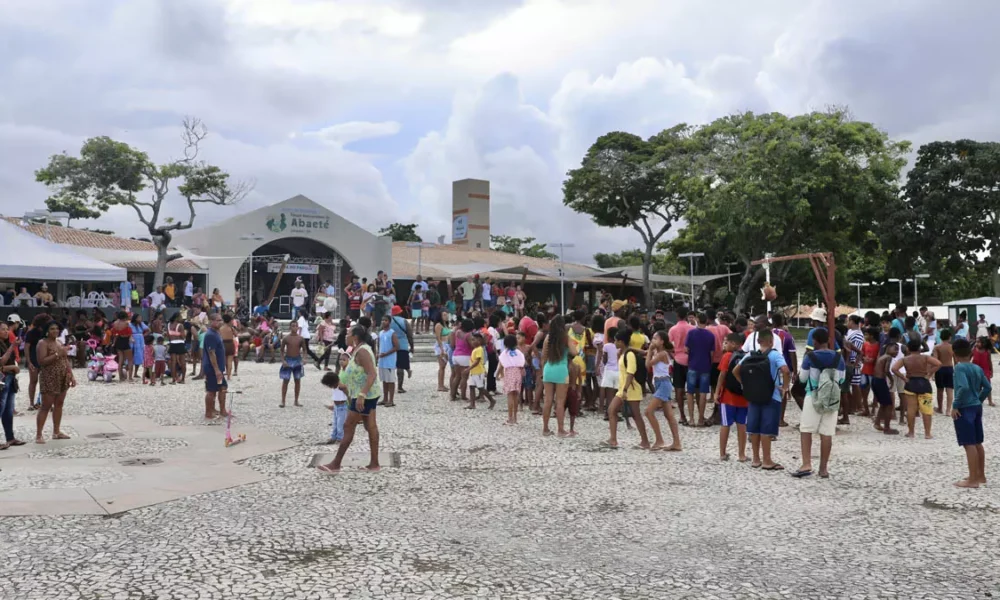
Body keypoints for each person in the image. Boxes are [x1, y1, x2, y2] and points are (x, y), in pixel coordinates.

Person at [317, 324, 381, 474]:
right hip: (366, 395)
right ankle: (374, 463)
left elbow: (372, 374)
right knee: (370, 427)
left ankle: (336, 464)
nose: (345, 336)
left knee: (348, 426)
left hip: (365, 396)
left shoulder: (362, 352)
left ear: (355, 337)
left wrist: (361, 395)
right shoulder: (359, 349)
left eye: (348, 333)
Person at [733, 328, 789, 471]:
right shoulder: (775, 355)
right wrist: (785, 387)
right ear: (771, 341)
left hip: (753, 395)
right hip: (771, 395)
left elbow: (735, 371)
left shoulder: (750, 356)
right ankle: (767, 460)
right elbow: (785, 370)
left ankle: (756, 459)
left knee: (754, 427)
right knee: (766, 428)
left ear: (758, 342)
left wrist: (745, 384)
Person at [793, 328, 846, 479]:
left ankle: (806, 463)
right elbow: (842, 379)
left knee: (806, 430)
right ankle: (823, 469)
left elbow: (803, 379)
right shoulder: (838, 358)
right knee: (827, 433)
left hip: (813, 395)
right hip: (832, 397)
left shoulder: (810, 357)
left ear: (814, 341)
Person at [951, 338, 990, 488]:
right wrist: (978, 400)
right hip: (976, 407)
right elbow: (987, 387)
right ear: (970, 352)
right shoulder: (977, 368)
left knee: (969, 444)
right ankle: (980, 475)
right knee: (977, 442)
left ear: (954, 353)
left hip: (964, 408)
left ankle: (972, 479)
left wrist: (955, 405)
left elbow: (963, 387)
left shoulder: (959, 368)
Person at [606, 328, 649, 449]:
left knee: (636, 415)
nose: (614, 343)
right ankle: (613, 439)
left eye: (616, 341)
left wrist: (625, 389)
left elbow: (631, 372)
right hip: (623, 389)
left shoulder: (629, 355)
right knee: (611, 410)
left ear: (621, 342)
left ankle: (645, 441)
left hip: (631, 388)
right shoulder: (624, 353)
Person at [35, 321, 75, 444]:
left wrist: (71, 375)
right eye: (52, 329)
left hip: (62, 376)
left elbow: (65, 360)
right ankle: (39, 434)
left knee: (59, 404)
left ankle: (56, 431)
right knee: (46, 406)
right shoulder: (43, 343)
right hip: (49, 376)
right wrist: (58, 354)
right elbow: (42, 361)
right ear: (47, 330)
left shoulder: (59, 342)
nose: (55, 331)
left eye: (57, 328)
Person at [893, 338, 941, 439]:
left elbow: (894, 369)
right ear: (920, 348)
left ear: (908, 349)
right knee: (926, 410)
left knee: (911, 409)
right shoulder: (925, 358)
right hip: (924, 383)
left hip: (911, 383)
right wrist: (929, 373)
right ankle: (927, 433)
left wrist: (904, 378)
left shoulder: (905, 359)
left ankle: (911, 432)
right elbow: (938, 364)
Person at [645, 330, 680, 451]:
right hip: (660, 383)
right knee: (669, 415)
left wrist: (649, 350)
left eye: (655, 339)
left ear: (662, 341)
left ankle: (659, 440)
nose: (653, 341)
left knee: (648, 412)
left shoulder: (662, 354)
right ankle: (677, 443)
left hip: (664, 383)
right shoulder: (658, 352)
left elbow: (648, 364)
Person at [715, 332, 748, 462]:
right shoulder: (746, 356)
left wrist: (717, 392)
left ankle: (723, 453)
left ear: (733, 343)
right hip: (743, 398)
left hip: (728, 397)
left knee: (725, 424)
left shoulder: (727, 356)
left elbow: (722, 375)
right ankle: (741, 454)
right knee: (742, 425)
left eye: (726, 342)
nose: (724, 345)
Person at [541, 316, 571, 436]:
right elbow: (574, 351)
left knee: (547, 400)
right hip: (561, 370)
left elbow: (543, 356)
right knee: (560, 402)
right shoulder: (565, 338)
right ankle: (560, 429)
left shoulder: (548, 338)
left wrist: (543, 372)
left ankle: (545, 429)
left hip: (548, 369)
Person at [685, 312, 716, 427]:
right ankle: (700, 419)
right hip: (705, 366)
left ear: (697, 320)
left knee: (690, 392)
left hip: (693, 365)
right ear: (707, 321)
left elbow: (686, 349)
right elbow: (712, 353)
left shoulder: (691, 333)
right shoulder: (710, 335)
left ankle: (691, 419)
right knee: (703, 392)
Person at [0, 322, 25, 449]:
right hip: (2, 379)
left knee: (8, 411)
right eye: (3, 330)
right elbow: (1, 362)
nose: (6, 332)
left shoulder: (4, 343)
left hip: (9, 378)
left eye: (6, 329)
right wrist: (12, 347)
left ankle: (10, 437)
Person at [668, 308, 694, 424]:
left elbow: (668, 345)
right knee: (692, 389)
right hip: (691, 360)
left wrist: (673, 356)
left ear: (677, 316)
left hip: (678, 359)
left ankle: (682, 415)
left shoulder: (673, 329)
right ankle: (692, 415)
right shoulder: (692, 328)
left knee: (679, 388)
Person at [201, 312, 227, 419]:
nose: (221, 322)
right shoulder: (210, 335)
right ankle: (208, 412)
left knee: (221, 387)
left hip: (218, 366)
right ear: (212, 322)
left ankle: (220, 410)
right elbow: (212, 353)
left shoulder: (217, 333)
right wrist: (216, 369)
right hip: (212, 367)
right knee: (211, 390)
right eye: (218, 320)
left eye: (221, 320)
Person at [871, 343, 900, 435]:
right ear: (889, 348)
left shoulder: (882, 356)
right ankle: (887, 428)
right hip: (880, 380)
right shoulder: (888, 357)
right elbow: (886, 370)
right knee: (889, 404)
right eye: (895, 349)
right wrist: (891, 380)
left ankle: (877, 423)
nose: (897, 352)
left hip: (875, 380)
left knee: (884, 403)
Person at [496, 334, 525, 425]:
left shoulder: (504, 353)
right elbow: (522, 364)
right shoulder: (519, 352)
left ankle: (510, 418)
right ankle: (515, 418)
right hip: (518, 373)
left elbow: (501, 365)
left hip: (509, 373)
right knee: (516, 395)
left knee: (510, 396)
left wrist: (497, 374)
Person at [279, 321, 306, 408]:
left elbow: (305, 350)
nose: (294, 327)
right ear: (290, 327)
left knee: (297, 380)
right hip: (288, 360)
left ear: (298, 327)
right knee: (285, 380)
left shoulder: (301, 338)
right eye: (293, 326)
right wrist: (283, 360)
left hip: (297, 360)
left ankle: (296, 400)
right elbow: (282, 350)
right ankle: (283, 401)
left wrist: (304, 358)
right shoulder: (286, 338)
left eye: (296, 326)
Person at [322, 365, 350, 445]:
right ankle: (333, 436)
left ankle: (340, 438)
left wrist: (350, 406)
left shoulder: (341, 387)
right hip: (336, 407)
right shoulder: (334, 387)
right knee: (335, 423)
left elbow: (348, 395)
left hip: (342, 407)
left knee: (340, 424)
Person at [466, 332, 494, 410]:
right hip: (473, 372)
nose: (472, 342)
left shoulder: (479, 349)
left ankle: (492, 400)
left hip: (478, 372)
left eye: (473, 340)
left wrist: (468, 368)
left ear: (479, 340)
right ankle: (472, 404)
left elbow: (477, 361)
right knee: (471, 386)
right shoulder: (475, 349)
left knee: (480, 388)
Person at [376, 315, 399, 408]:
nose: (383, 322)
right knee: (384, 380)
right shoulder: (381, 333)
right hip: (382, 360)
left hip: (389, 360)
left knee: (390, 380)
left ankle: (391, 400)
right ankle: (385, 398)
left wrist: (386, 354)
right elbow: (379, 345)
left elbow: (397, 347)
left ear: (389, 322)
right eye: (382, 320)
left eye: (385, 320)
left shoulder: (392, 333)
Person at [389, 306, 413, 394]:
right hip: (402, 345)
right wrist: (412, 346)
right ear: (399, 312)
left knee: (391, 367)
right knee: (400, 366)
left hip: (391, 345)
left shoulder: (388, 321)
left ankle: (389, 386)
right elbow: (410, 334)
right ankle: (400, 387)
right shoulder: (404, 321)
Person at [932, 329, 955, 415]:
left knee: (940, 390)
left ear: (941, 337)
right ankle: (948, 410)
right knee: (950, 390)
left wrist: (933, 373)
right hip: (949, 368)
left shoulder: (937, 347)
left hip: (940, 369)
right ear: (949, 337)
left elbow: (935, 361)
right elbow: (955, 360)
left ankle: (940, 408)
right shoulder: (952, 347)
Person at [972, 337, 995, 407]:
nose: (976, 343)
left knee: (987, 386)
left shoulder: (987, 351)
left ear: (983, 343)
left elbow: (989, 361)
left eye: (978, 342)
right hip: (976, 370)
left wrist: (991, 371)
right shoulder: (974, 350)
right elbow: (969, 358)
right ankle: (978, 399)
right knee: (977, 386)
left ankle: (990, 400)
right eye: (976, 342)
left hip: (985, 370)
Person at [433, 311, 452, 393]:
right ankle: (440, 385)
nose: (446, 316)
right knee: (441, 366)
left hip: (447, 345)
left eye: (446, 314)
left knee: (443, 366)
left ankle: (442, 384)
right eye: (444, 315)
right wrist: (442, 349)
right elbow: (438, 338)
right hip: (441, 346)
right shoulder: (438, 325)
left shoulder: (446, 325)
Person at [166, 312, 187, 384]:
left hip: (172, 343)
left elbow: (168, 335)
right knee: (183, 362)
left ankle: (173, 380)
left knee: (173, 363)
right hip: (180, 344)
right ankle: (183, 379)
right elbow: (183, 336)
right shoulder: (180, 325)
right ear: (177, 317)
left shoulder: (168, 325)